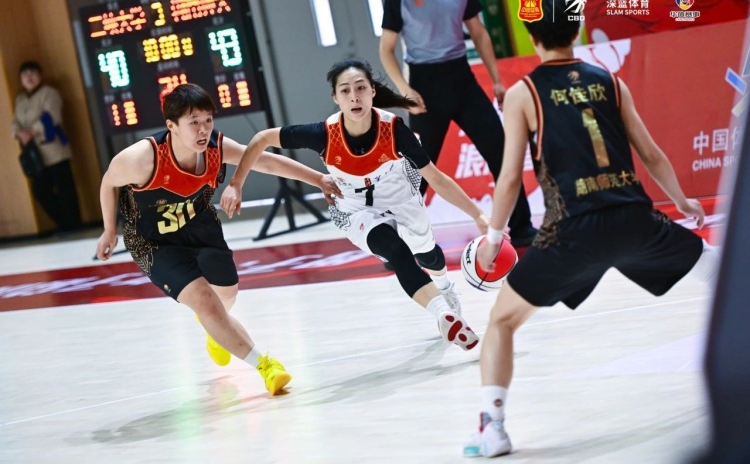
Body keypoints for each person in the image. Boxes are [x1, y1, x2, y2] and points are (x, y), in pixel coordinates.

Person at [462, 0, 718, 457]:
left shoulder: (523, 93)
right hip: (635, 219)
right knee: (719, 267)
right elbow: (651, 153)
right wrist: (683, 202)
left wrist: (494, 237)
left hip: (573, 232)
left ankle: (492, 428)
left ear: (533, 35)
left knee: (501, 321)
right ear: (576, 29)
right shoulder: (611, 82)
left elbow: (510, 179)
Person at [221, 58, 488, 351]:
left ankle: (445, 289)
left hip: (401, 198)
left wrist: (477, 215)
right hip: (355, 209)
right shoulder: (323, 134)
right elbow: (262, 138)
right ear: (336, 98)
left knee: (429, 257)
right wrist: (235, 183)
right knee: (396, 252)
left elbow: (435, 178)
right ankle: (444, 315)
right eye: (345, 91)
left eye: (360, 88)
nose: (354, 97)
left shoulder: (395, 130)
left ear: (372, 91)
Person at [95, 83, 343, 395]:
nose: (203, 130)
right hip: (154, 241)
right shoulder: (141, 159)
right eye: (194, 123)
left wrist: (318, 178)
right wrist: (109, 230)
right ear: (171, 126)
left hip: (200, 225)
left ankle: (217, 332)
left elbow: (264, 161)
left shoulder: (216, 147)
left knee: (226, 297)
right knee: (207, 304)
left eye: (208, 120)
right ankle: (266, 366)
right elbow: (108, 183)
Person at [379, 0, 537, 248]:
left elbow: (479, 33)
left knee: (501, 151)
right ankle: (399, 240)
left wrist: (496, 80)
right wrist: (405, 91)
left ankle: (522, 226)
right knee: (418, 167)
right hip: (424, 88)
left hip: (463, 81)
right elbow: (386, 49)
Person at [11, 60, 82, 233]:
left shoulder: (49, 93)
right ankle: (63, 223)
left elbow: (51, 117)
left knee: (65, 188)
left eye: (33, 73)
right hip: (34, 153)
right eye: (25, 74)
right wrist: (19, 133)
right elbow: (15, 121)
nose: (29, 77)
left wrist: (32, 131)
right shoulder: (20, 99)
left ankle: (73, 224)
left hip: (54, 149)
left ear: (40, 75)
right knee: (41, 191)